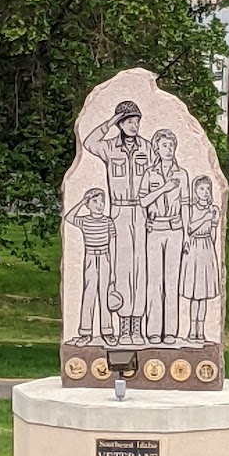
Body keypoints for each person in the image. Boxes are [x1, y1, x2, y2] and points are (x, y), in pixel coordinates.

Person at [83, 100, 154, 346]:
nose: (134, 126)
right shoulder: (110, 148)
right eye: (129, 121)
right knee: (123, 269)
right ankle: (124, 325)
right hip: (120, 211)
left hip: (142, 211)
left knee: (141, 270)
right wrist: (112, 121)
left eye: (136, 121)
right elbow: (88, 142)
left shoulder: (148, 147)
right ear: (121, 124)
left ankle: (138, 326)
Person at [138, 129, 189, 345]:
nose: (169, 150)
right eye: (165, 145)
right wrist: (163, 189)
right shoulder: (150, 174)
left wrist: (187, 234)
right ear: (156, 148)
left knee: (171, 281)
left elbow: (185, 205)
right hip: (155, 229)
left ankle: (170, 330)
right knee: (154, 281)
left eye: (172, 145)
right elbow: (143, 201)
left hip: (175, 228)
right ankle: (152, 329)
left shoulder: (182, 174)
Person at [64, 188, 117, 347]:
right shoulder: (85, 220)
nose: (99, 205)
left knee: (104, 294)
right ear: (88, 204)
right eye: (95, 201)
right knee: (89, 292)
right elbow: (68, 217)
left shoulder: (108, 221)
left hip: (105, 256)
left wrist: (113, 268)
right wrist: (82, 201)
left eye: (102, 201)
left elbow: (112, 244)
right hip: (91, 256)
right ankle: (85, 332)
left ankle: (107, 331)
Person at [179, 175, 220, 342]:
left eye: (207, 189)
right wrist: (205, 218)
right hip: (194, 247)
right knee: (194, 293)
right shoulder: (190, 209)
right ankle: (191, 328)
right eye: (201, 189)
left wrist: (213, 246)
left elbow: (214, 231)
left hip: (206, 247)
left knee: (203, 294)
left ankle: (201, 329)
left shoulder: (213, 209)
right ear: (195, 191)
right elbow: (189, 228)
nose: (205, 192)